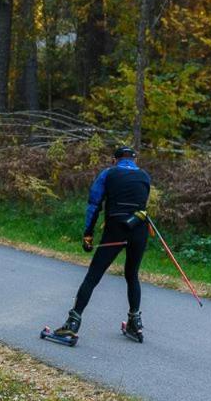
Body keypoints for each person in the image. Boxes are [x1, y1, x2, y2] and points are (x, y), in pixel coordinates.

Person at [49, 145, 151, 343]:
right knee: (132, 275)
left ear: (115, 160)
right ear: (135, 160)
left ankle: (72, 324)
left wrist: (88, 234)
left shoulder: (108, 174)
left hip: (116, 229)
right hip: (139, 230)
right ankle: (135, 322)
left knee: (93, 276)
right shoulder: (145, 176)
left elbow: (94, 205)